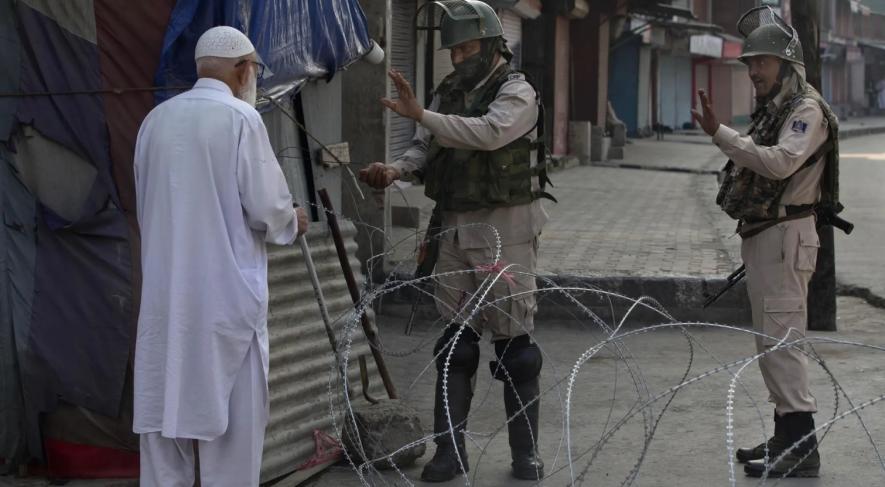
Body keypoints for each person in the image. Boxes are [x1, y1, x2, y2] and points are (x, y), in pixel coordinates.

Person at [360, 1, 552, 481]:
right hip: (454, 224)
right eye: (454, 49)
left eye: (467, 46)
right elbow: (427, 147)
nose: (459, 56)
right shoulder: (449, 91)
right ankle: (450, 452)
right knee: (455, 345)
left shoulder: (517, 91)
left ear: (490, 44)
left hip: (505, 226)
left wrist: (421, 113)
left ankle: (524, 453)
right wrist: (396, 169)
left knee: (516, 350)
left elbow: (487, 135)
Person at [132, 26, 308, 486]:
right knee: (231, 432)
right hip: (226, 302)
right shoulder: (240, 119)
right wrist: (293, 219)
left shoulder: (155, 121)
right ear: (242, 69)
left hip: (164, 302)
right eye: (253, 68)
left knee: (163, 415)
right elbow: (268, 209)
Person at [691, 7, 841, 478]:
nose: (753, 70)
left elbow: (779, 164)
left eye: (761, 62)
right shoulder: (777, 108)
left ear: (787, 64)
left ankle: (802, 447)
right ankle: (785, 435)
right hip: (764, 237)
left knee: (783, 344)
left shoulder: (806, 110)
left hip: (785, 238)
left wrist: (721, 134)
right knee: (769, 344)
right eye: (749, 62)